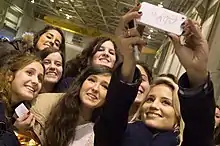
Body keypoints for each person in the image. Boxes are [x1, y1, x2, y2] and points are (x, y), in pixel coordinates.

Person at [94, 4, 214, 146]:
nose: (154, 106)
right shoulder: (118, 136)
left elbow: (201, 130)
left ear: (178, 115)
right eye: (149, 99)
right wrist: (128, 60)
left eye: (166, 102)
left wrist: (197, 74)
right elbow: (110, 119)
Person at [0, 53, 44, 145]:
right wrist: (16, 131)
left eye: (40, 78)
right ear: (9, 76)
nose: (36, 81)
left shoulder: (18, 111)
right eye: (29, 73)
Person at [56, 37, 121, 92]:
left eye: (111, 53)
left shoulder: (115, 92)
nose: (106, 54)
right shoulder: (68, 84)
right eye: (100, 50)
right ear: (90, 57)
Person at [0, 25, 65, 61]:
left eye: (57, 44)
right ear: (39, 36)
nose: (52, 42)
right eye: (49, 37)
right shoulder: (13, 48)